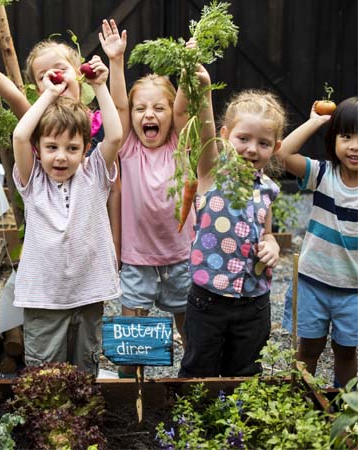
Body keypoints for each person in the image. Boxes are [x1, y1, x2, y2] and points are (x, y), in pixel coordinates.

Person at [0, 19, 123, 261]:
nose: (54, 75)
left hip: (88, 238)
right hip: (50, 238)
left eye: (61, 68)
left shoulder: (101, 124)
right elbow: (14, 97)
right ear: (39, 88)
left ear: (79, 74)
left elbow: (115, 189)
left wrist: (115, 243)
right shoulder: (39, 124)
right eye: (43, 75)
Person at [11, 54, 122, 375]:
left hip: (89, 292)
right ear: (38, 149)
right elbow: (20, 136)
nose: (61, 157)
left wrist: (100, 86)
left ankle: (79, 420)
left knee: (84, 366)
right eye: (51, 147)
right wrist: (48, 93)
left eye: (72, 148)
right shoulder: (32, 181)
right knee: (45, 371)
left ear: (86, 148)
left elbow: (114, 136)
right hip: (44, 297)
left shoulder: (94, 174)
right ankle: (47, 425)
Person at [111, 35, 214, 377]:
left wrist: (186, 68)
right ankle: (130, 392)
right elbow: (119, 109)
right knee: (132, 343)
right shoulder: (128, 147)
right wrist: (115, 61)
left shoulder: (181, 145)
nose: (148, 114)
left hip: (182, 258)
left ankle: (195, 383)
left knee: (191, 333)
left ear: (171, 113)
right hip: (138, 260)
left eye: (158, 108)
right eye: (141, 108)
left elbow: (186, 108)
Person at [178, 90, 284, 378]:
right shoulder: (213, 173)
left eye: (263, 143)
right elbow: (204, 126)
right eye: (243, 139)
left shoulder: (268, 190)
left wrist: (272, 246)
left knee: (246, 371)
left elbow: (268, 233)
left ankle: (234, 423)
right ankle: (193, 422)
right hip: (209, 300)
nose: (252, 149)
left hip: (254, 303)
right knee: (199, 369)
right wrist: (203, 86)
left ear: (276, 147)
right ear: (224, 136)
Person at [278, 97, 358, 388]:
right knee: (309, 348)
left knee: (347, 353)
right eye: (346, 136)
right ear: (333, 138)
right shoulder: (323, 175)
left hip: (353, 290)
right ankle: (300, 403)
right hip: (313, 281)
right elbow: (283, 154)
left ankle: (345, 410)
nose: (354, 146)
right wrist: (315, 121)